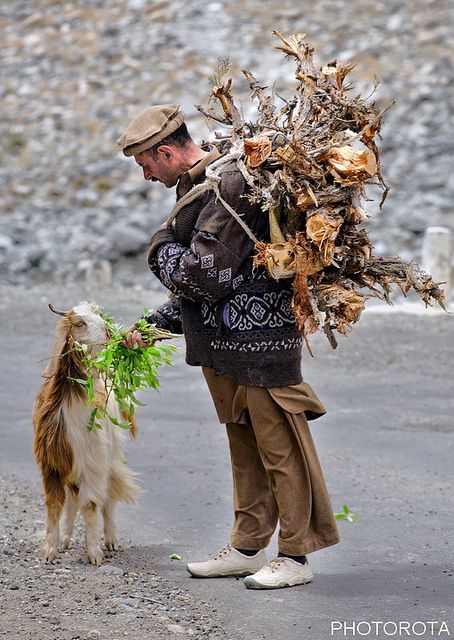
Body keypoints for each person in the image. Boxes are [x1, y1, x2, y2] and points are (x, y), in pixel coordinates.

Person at [117, 104, 340, 590]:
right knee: (245, 448)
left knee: (281, 449)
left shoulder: (233, 182)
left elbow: (205, 274)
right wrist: (156, 324)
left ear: (167, 151)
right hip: (224, 343)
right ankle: (246, 547)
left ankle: (297, 558)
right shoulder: (200, 185)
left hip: (261, 341)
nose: (146, 174)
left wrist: (157, 245)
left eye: (145, 163)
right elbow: (207, 281)